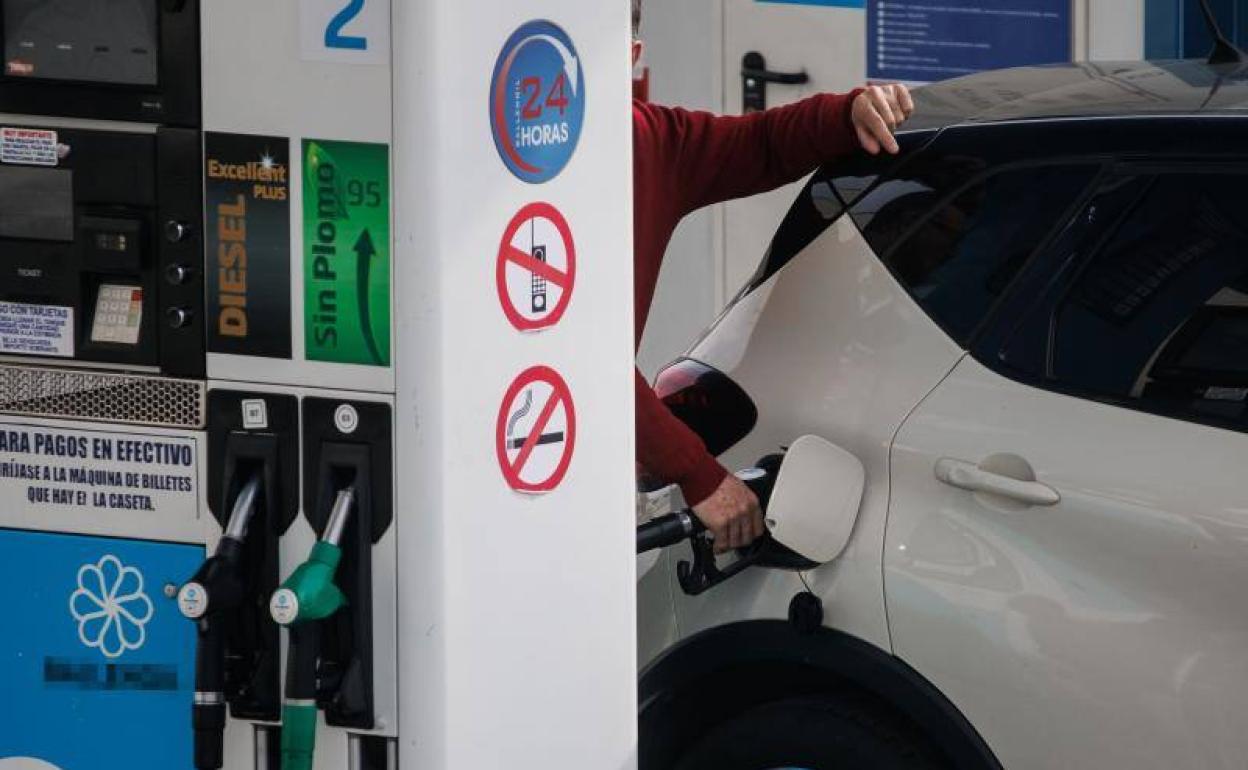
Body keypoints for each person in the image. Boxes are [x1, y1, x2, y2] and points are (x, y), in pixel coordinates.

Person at [631, 0, 914, 552]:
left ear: (632, 58)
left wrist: (847, 112)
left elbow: (759, 145)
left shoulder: (648, 144)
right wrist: (698, 474)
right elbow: (572, 367)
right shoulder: (499, 181)